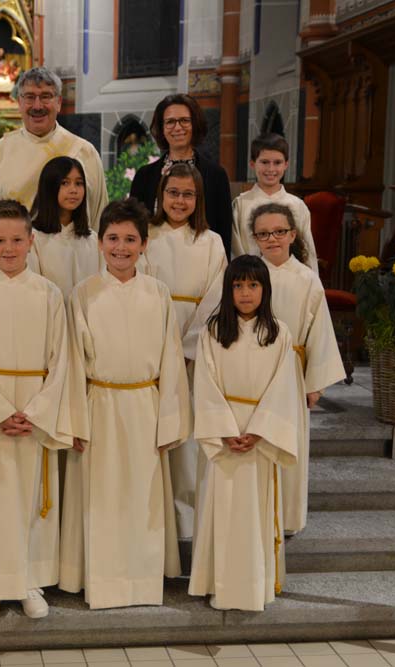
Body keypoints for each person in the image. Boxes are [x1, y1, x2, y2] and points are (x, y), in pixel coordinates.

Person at [0, 199, 79, 622]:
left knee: (30, 500)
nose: (9, 248)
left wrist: (37, 411)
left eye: (17, 240)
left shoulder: (49, 294)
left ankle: (28, 581)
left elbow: (62, 359)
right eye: (0, 241)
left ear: (31, 241)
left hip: (33, 413)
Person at [59, 198, 191, 610]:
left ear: (145, 244)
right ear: (100, 243)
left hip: (145, 408)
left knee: (141, 499)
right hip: (98, 405)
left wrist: (170, 422)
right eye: (113, 239)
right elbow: (72, 362)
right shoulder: (83, 294)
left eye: (130, 239)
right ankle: (98, 580)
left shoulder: (158, 293)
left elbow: (172, 360)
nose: (121, 247)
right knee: (101, 500)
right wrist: (74, 421)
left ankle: (140, 582)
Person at [188, 255, 301, 612]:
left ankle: (254, 587)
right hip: (223, 436)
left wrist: (259, 431)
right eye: (238, 286)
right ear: (228, 290)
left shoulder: (279, 334)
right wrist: (224, 430)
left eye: (253, 285)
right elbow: (204, 382)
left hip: (258, 437)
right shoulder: (213, 332)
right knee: (220, 510)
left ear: (265, 290)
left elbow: (284, 387)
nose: (246, 293)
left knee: (253, 515)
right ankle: (216, 584)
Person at [143, 163, 228, 540]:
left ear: (199, 199)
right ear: (161, 195)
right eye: (173, 193)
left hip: (194, 350)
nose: (179, 201)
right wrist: (156, 348)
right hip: (151, 348)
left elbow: (216, 298)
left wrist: (190, 346)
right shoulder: (145, 235)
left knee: (187, 440)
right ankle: (152, 523)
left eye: (188, 194)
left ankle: (186, 528)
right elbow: (137, 291)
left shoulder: (212, 242)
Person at [250, 203, 344, 534]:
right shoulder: (246, 276)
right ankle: (253, 515)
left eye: (279, 232)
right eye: (263, 233)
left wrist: (314, 384)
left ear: (293, 234)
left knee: (287, 442)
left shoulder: (307, 279)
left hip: (291, 371)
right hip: (251, 371)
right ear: (255, 238)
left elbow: (320, 332)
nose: (272, 239)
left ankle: (286, 518)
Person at [0, 67, 108, 228]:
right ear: (19, 103)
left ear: (59, 102)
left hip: (73, 244)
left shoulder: (85, 152)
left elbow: (100, 220)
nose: (37, 106)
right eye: (29, 97)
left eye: (46, 97)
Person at [129, 94, 233, 256]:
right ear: (162, 128)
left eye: (184, 120)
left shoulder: (216, 175)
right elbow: (133, 229)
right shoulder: (144, 177)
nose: (177, 128)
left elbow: (224, 232)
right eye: (170, 122)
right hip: (153, 259)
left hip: (202, 259)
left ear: (195, 124)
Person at [231, 133, 319, 273]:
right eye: (264, 162)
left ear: (286, 164)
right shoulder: (241, 204)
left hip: (291, 277)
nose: (271, 169)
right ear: (252, 164)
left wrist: (311, 279)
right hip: (252, 276)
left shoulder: (298, 206)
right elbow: (236, 249)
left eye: (277, 163)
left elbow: (307, 250)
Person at [27, 156, 100, 300]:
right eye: (65, 183)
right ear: (50, 187)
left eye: (79, 183)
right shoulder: (34, 239)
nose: (73, 190)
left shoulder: (93, 239)